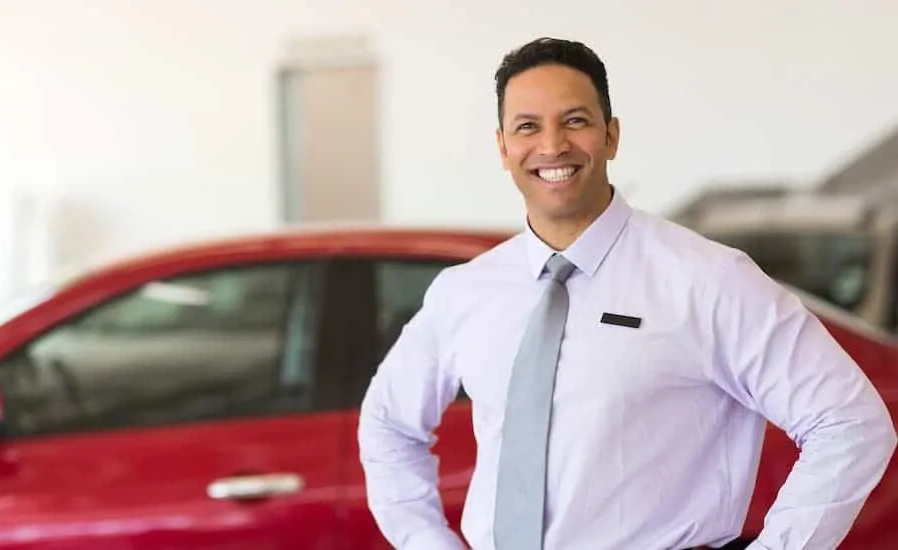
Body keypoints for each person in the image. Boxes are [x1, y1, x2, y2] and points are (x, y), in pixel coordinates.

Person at [357, 36, 898, 550]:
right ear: (503, 147)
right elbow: (387, 424)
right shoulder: (465, 293)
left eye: (575, 121)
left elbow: (851, 422)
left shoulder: (707, 280)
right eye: (527, 126)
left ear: (611, 134)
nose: (551, 145)